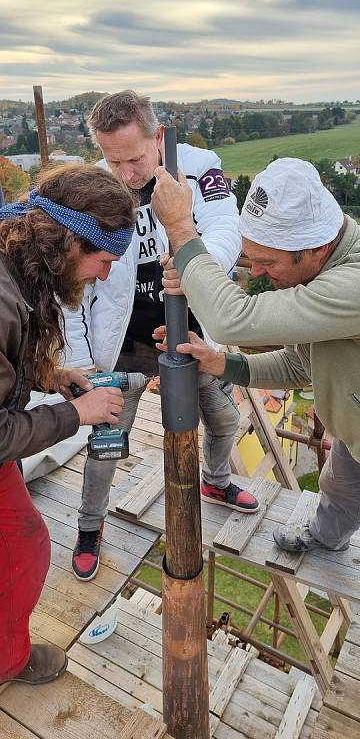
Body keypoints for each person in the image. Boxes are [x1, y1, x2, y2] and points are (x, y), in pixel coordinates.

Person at [63, 90, 259, 582]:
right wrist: (88, 364)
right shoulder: (93, 191)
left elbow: (224, 227)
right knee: (108, 441)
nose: (126, 175)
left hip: (187, 332)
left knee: (223, 419)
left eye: (135, 159)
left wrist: (191, 262)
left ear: (160, 138)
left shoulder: (200, 167)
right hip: (125, 342)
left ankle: (215, 481)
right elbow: (74, 290)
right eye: (114, 161)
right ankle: (90, 527)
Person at [151, 157, 360, 554]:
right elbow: (300, 365)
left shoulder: (353, 283)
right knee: (339, 486)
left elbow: (232, 320)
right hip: (354, 429)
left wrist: (181, 229)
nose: (259, 273)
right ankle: (326, 539)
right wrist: (221, 363)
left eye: (268, 262)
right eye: (253, 258)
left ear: (314, 248)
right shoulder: (322, 267)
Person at [0, 162, 136, 686]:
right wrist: (75, 415)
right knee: (23, 548)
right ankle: (7, 661)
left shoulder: (15, 264)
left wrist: (45, 374)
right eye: (103, 260)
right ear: (68, 241)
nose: (104, 275)